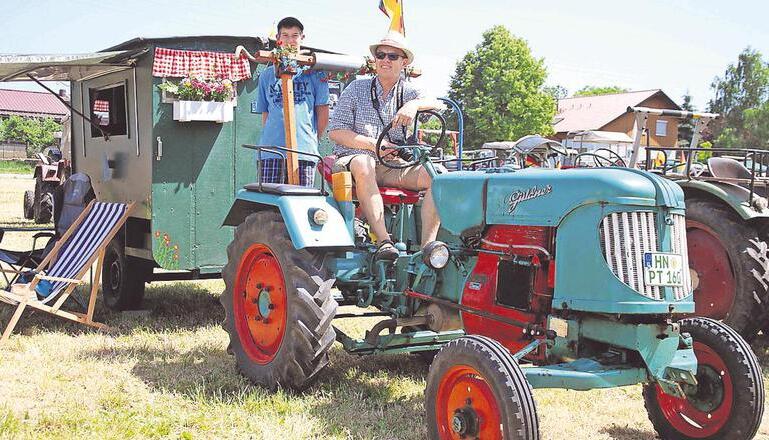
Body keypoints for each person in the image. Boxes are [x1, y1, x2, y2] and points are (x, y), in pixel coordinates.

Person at [328, 31, 444, 261]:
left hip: (392, 164)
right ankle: (384, 241)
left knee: (438, 177)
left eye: (392, 56)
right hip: (354, 159)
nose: (385, 60)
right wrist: (373, 145)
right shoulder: (356, 88)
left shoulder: (409, 91)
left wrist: (413, 106)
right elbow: (336, 131)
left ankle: (428, 252)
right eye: (381, 55)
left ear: (404, 62)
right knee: (364, 162)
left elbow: (436, 103)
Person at [254, 16, 329, 186]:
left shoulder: (315, 73)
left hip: (304, 152)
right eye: (285, 35)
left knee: (301, 205)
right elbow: (266, 114)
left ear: (302, 38)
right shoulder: (266, 75)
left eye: (295, 35)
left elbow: (323, 113)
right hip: (271, 151)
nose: (290, 40)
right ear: (278, 39)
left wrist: (311, 139)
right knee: (269, 204)